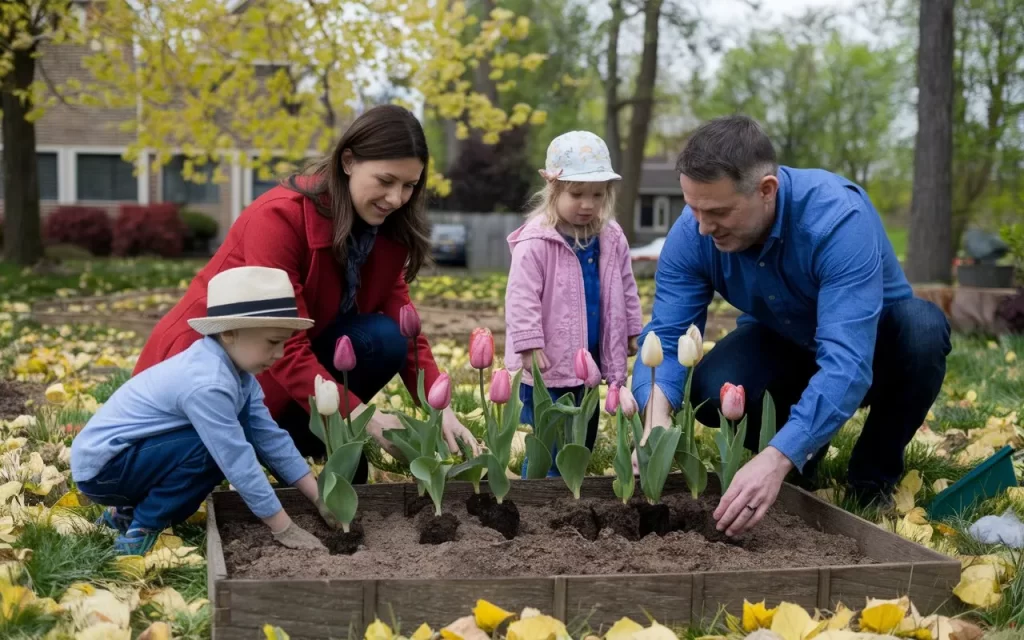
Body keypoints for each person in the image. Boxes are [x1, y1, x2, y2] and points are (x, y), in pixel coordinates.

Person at [631, 115, 951, 537]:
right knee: (715, 389)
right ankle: (806, 455)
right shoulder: (694, 233)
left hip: (873, 349)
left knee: (923, 328)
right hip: (784, 343)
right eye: (693, 209)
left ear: (767, 191)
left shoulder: (837, 221)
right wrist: (656, 421)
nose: (703, 227)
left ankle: (871, 475)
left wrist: (777, 455)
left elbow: (846, 361)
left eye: (718, 212)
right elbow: (668, 337)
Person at [134, 105, 480, 481]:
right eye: (386, 180)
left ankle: (306, 437)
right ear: (348, 161)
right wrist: (361, 416)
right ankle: (290, 437)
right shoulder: (280, 217)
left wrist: (439, 406)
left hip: (283, 365)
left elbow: (406, 326)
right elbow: (282, 345)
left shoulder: (387, 230)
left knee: (386, 337)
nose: (397, 198)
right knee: (198, 460)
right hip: (218, 368)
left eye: (410, 185)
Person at [73, 267, 337, 555]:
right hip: (104, 469)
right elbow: (236, 459)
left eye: (284, 343)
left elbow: (269, 437)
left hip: (124, 460)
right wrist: (283, 527)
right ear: (230, 333)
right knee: (215, 451)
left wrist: (319, 497)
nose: (280, 354)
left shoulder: (239, 376)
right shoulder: (208, 382)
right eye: (273, 342)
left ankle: (124, 513)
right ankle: (142, 526)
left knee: (223, 443)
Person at [504, 130, 644, 475]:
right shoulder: (537, 240)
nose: (588, 204)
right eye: (577, 194)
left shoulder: (611, 238)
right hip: (548, 359)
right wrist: (529, 344)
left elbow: (627, 287)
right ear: (553, 191)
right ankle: (537, 492)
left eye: (598, 195)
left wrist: (632, 330)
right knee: (548, 440)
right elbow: (520, 297)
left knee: (583, 435)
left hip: (591, 358)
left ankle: (572, 489)